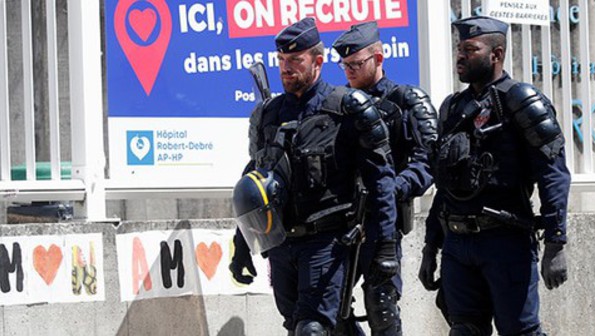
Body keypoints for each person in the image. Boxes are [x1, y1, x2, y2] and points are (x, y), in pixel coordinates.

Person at [229, 17, 399, 335]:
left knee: (313, 328)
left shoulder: (347, 108)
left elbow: (381, 180)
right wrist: (241, 243)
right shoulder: (269, 114)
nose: (286, 68)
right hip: (280, 243)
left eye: (296, 60)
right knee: (302, 326)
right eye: (281, 60)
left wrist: (385, 245)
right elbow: (255, 180)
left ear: (317, 62)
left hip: (328, 241)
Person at [425, 16, 571, 335]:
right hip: (458, 243)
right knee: (463, 330)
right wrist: (430, 246)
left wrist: (556, 243)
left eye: (470, 49)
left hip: (504, 241)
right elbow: (444, 186)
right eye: (458, 49)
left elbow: (553, 174)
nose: (460, 56)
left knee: (519, 331)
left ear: (497, 54)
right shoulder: (452, 108)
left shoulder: (519, 101)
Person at [331, 21, 437, 336]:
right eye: (345, 65)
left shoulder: (405, 101)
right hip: (340, 222)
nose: (349, 71)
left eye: (356, 64)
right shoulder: (338, 105)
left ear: (378, 58)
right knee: (331, 310)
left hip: (382, 224)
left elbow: (427, 161)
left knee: (383, 310)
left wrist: (393, 187)